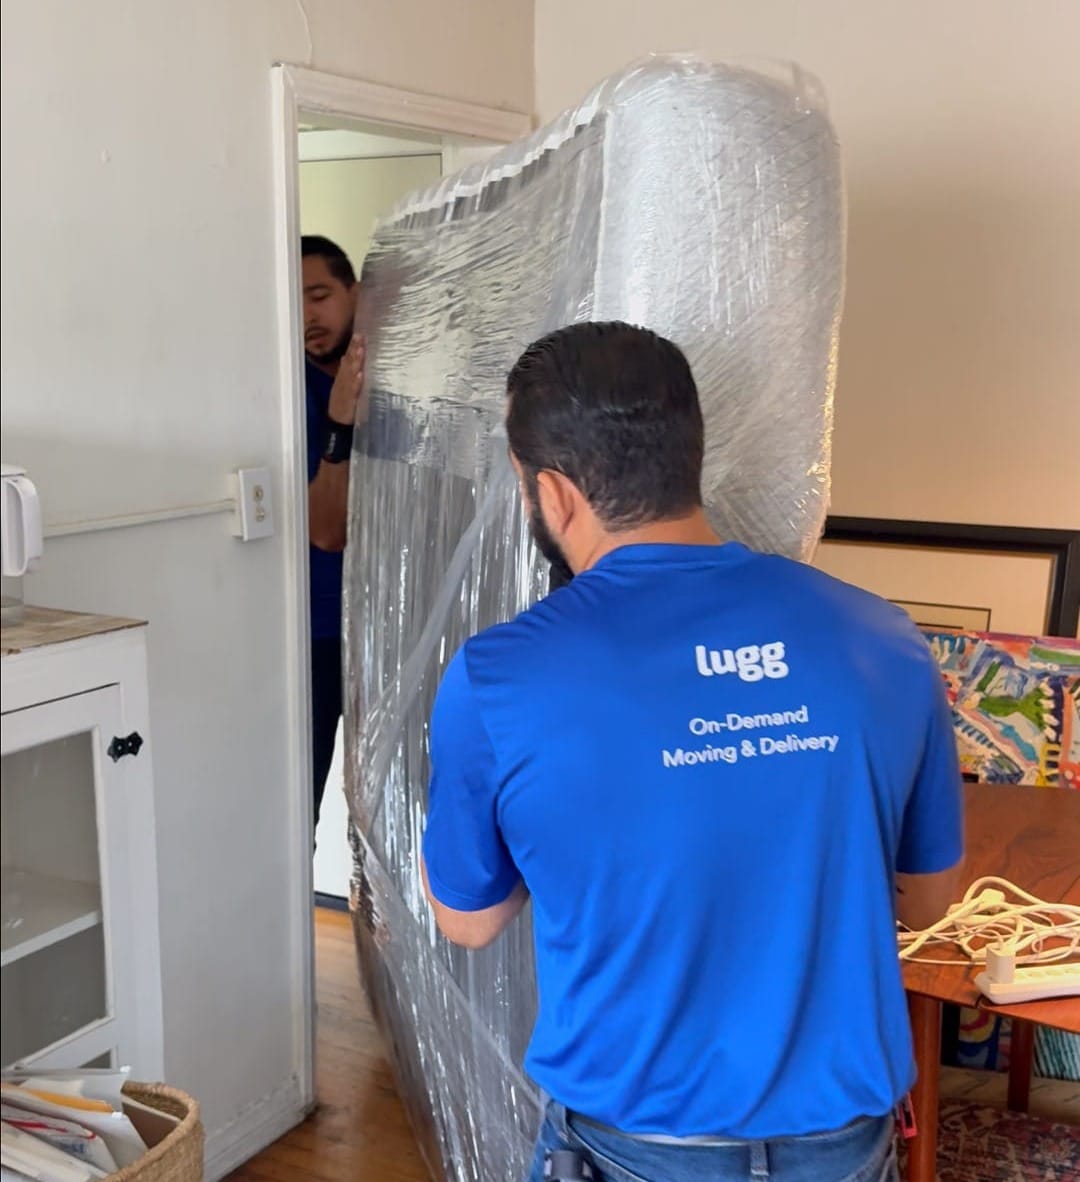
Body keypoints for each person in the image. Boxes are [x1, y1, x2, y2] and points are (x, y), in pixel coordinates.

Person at [420, 322, 964, 1182]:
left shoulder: (500, 678)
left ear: (551, 493)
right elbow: (929, 903)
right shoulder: (881, 637)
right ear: (688, 457)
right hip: (845, 1146)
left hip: (632, 1147)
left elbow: (468, 919)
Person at [301, 235, 366, 836]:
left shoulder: (399, 378)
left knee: (396, 796)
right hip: (316, 638)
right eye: (292, 301)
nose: (307, 317)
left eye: (319, 295)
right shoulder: (290, 392)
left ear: (355, 293)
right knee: (301, 811)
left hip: (387, 630)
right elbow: (328, 530)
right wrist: (341, 417)